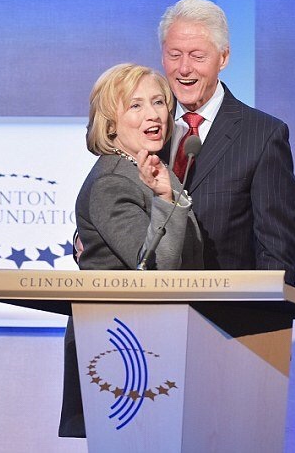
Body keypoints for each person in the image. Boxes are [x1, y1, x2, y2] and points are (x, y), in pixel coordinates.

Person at [59, 63, 203, 438]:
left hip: (152, 344)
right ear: (111, 124)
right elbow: (155, 270)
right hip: (123, 350)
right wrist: (164, 198)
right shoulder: (113, 180)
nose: (153, 114)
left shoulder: (150, 169)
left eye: (158, 102)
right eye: (136, 105)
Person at [158, 0, 295, 284]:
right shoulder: (144, 125)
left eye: (197, 56)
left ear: (223, 58)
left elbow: (276, 257)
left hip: (224, 308)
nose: (183, 69)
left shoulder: (263, 136)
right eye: (174, 55)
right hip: (144, 306)